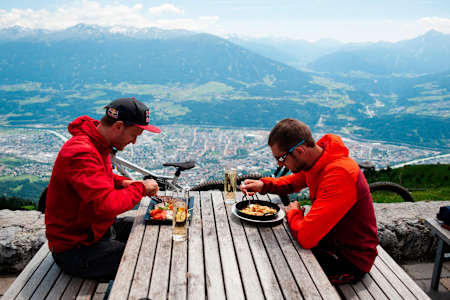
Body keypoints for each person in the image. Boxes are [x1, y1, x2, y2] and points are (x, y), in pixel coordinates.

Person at [241, 118, 379, 285]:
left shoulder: (339, 175)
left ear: (299, 151)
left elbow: (306, 238)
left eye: (281, 158)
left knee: (277, 278)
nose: (279, 163)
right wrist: (264, 186)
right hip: (329, 243)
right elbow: (295, 181)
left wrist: (293, 213)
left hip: (348, 260)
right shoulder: (319, 159)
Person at [45, 97, 160, 280]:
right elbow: (105, 205)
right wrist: (140, 188)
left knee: (156, 231)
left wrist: (122, 183)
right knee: (147, 261)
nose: (134, 141)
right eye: (135, 134)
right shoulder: (81, 152)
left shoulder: (97, 144)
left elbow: (96, 178)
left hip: (95, 231)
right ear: (119, 126)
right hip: (77, 248)